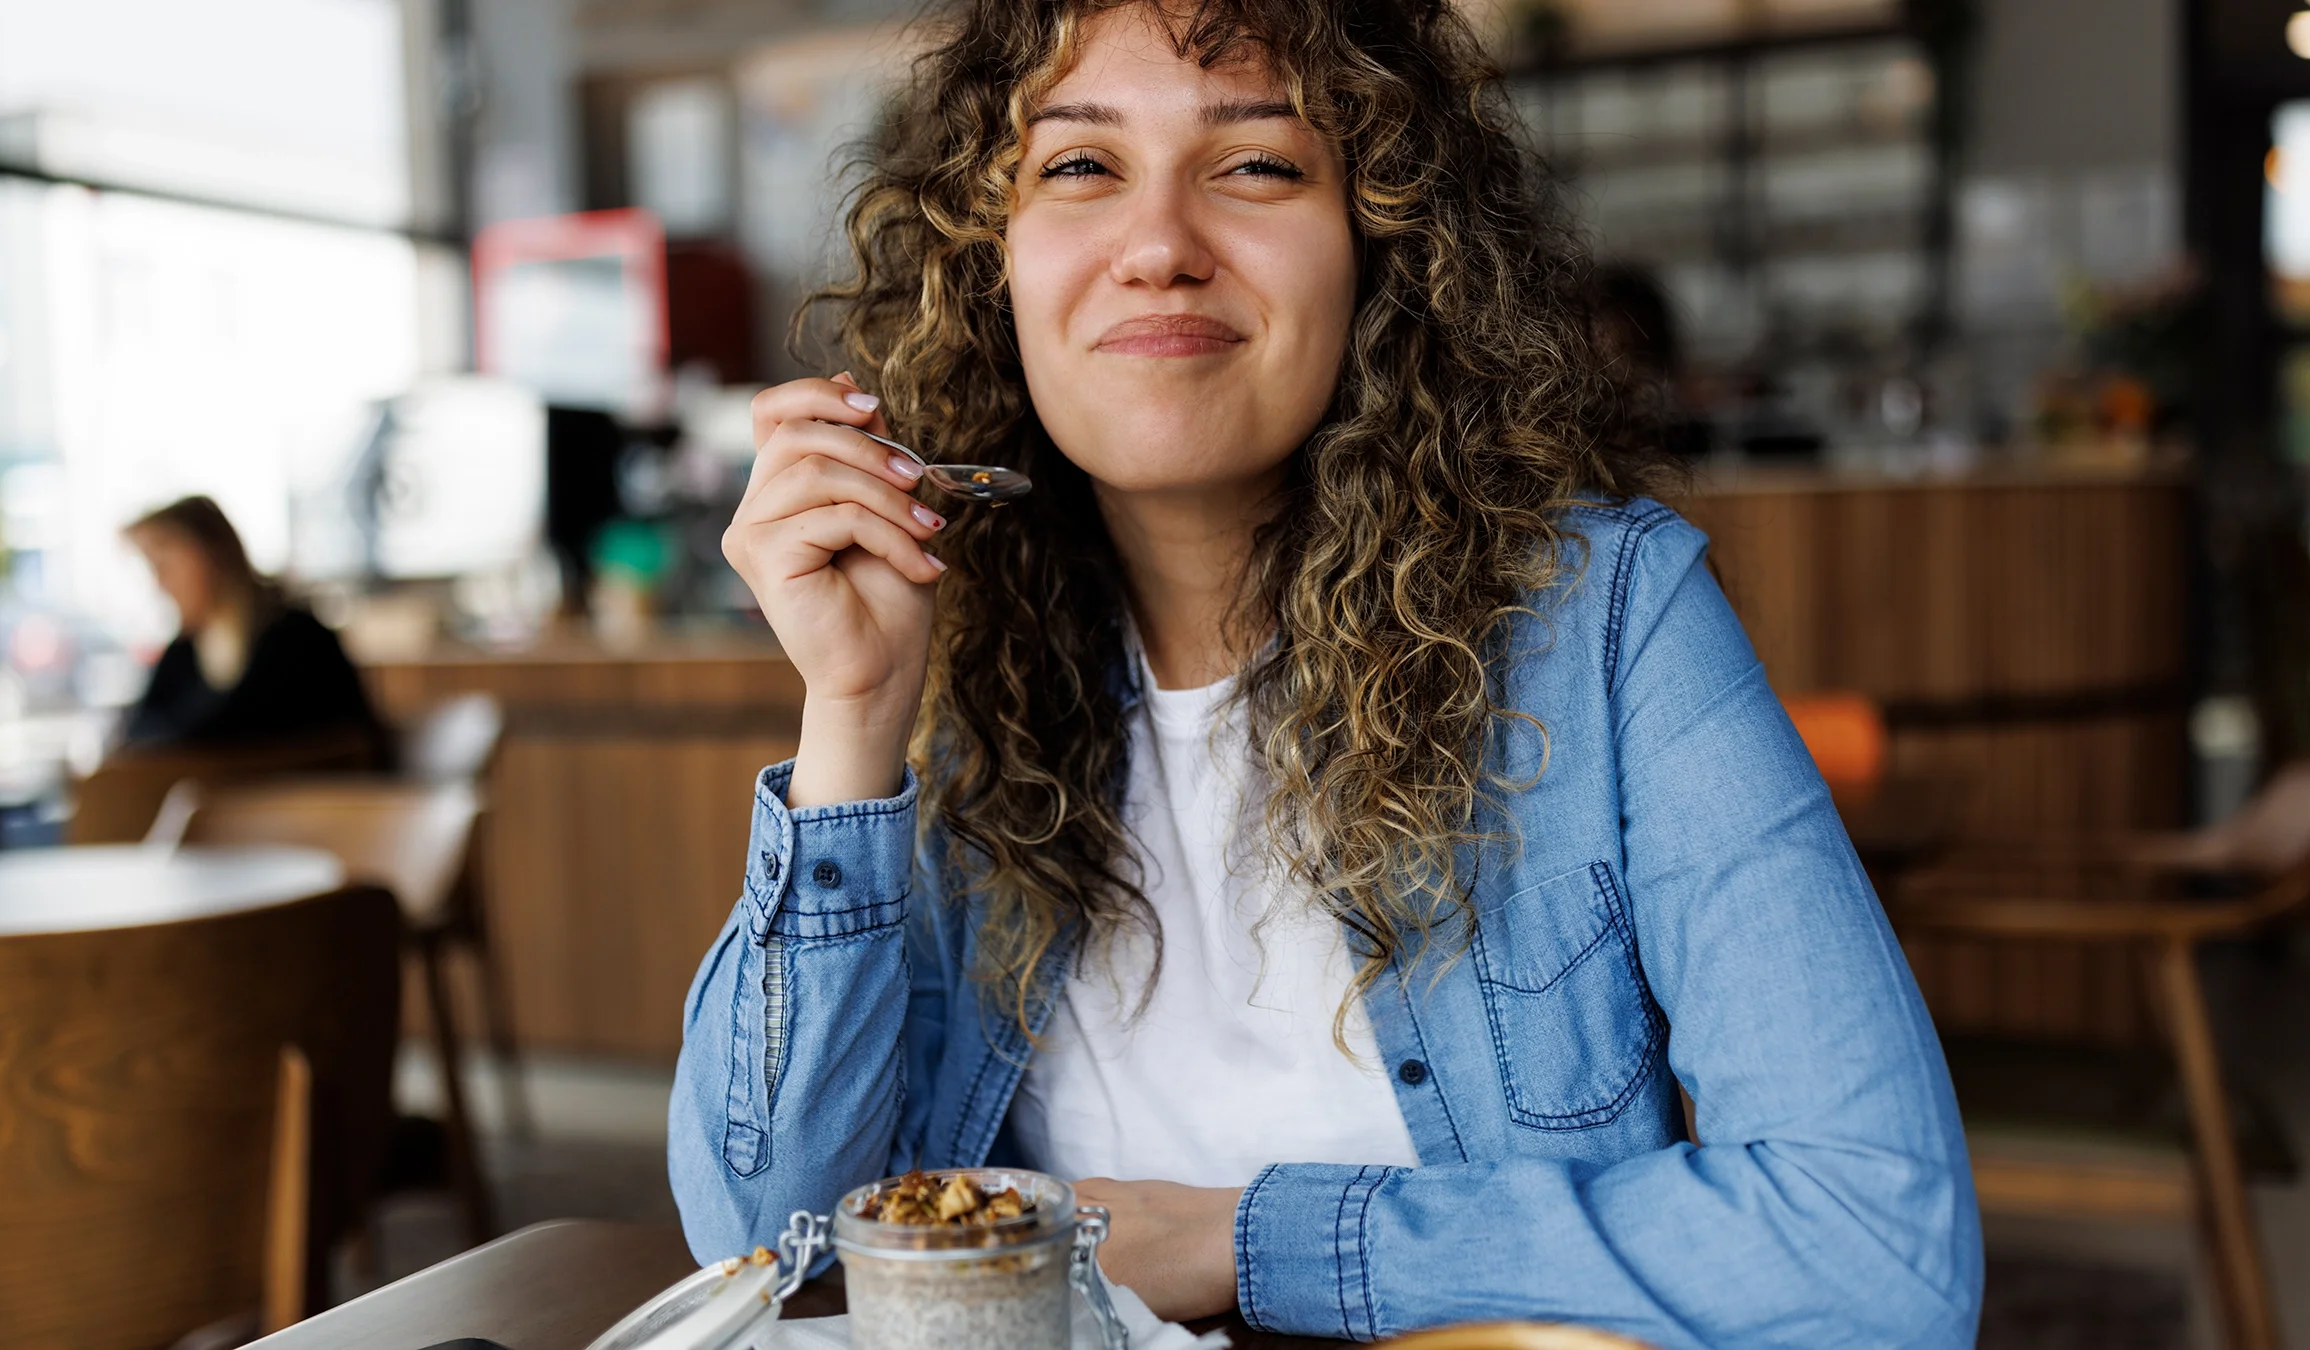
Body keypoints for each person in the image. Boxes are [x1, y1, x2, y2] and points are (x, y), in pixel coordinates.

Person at [672, 2, 1980, 1345]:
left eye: (1254, 165)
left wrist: (1244, 1238)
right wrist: (854, 722)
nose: (1159, 249)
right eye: (1078, 167)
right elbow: (776, 1254)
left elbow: (1876, 1246)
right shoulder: (954, 661)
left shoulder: (1605, 624)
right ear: (987, 260)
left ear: (1385, 242)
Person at [121, 496, 385, 754]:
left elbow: (226, 733)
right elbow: (135, 732)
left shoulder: (294, 639)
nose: (159, 585)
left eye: (164, 567)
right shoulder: (183, 651)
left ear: (213, 554)